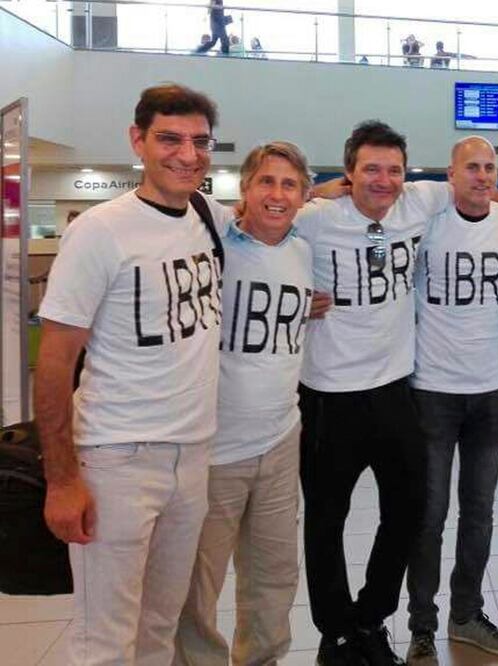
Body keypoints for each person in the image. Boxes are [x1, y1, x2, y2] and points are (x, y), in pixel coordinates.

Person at [36, 83, 231, 665]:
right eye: (170, 139)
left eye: (199, 142)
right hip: (117, 456)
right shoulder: (100, 230)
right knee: (105, 638)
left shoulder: (205, 213)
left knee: (158, 626)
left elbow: (278, 208)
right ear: (138, 141)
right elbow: (54, 361)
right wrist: (63, 479)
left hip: (192, 452)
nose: (186, 154)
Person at [293, 120, 454, 666]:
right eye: (371, 170)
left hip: (393, 392)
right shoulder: (315, 219)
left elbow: (477, 187)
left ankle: (371, 615)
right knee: (325, 521)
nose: (384, 181)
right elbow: (251, 225)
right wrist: (312, 192)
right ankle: (336, 632)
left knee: (409, 509)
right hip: (328, 395)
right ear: (350, 173)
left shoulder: (419, 201)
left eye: (394, 170)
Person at [173, 142, 314, 665]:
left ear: (303, 195)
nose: (277, 195)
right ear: (246, 189)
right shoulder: (213, 243)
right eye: (267, 183)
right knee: (196, 582)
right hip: (214, 447)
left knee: (274, 575)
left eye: (289, 185)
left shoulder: (304, 250)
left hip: (280, 441)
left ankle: (261, 660)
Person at [404, 137, 498, 665]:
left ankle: (465, 615)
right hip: (432, 391)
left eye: (490, 168)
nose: (482, 176)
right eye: (472, 168)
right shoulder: (423, 225)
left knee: (479, 515)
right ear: (450, 175)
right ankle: (421, 627)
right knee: (428, 516)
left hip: (491, 391)